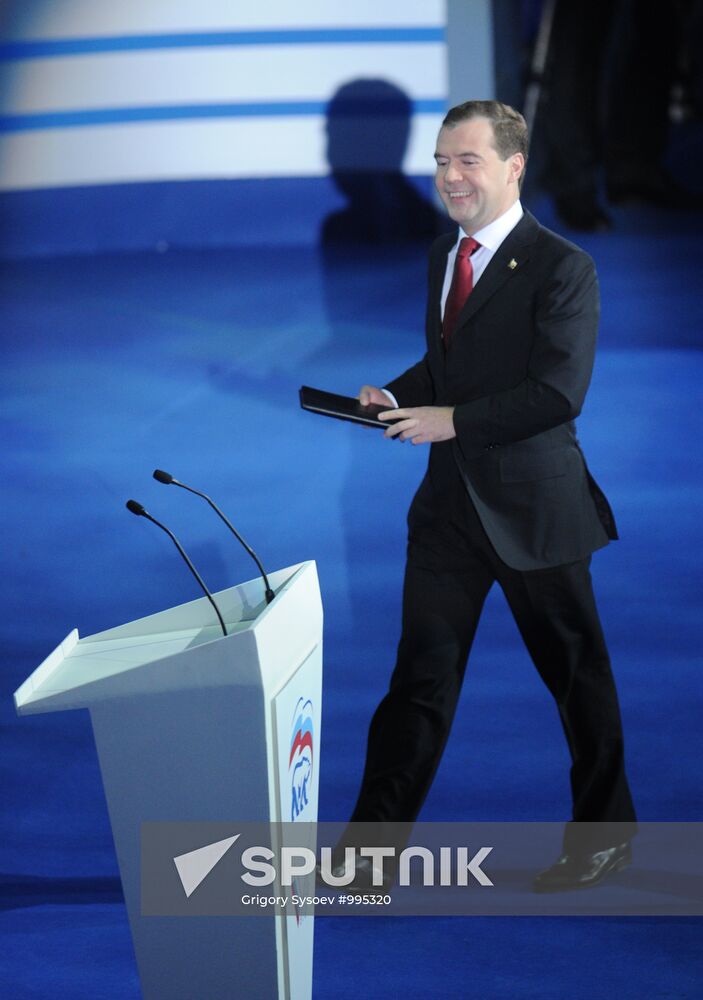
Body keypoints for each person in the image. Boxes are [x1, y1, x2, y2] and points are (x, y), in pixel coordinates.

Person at [342, 99, 636, 893]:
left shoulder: (565, 267)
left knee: (575, 678)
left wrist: (449, 420)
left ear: (513, 167)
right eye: (441, 161)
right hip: (446, 513)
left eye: (466, 161)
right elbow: (448, 365)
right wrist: (397, 397)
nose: (448, 177)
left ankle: (605, 837)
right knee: (418, 681)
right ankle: (369, 851)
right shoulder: (447, 254)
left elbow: (556, 394)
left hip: (534, 512)